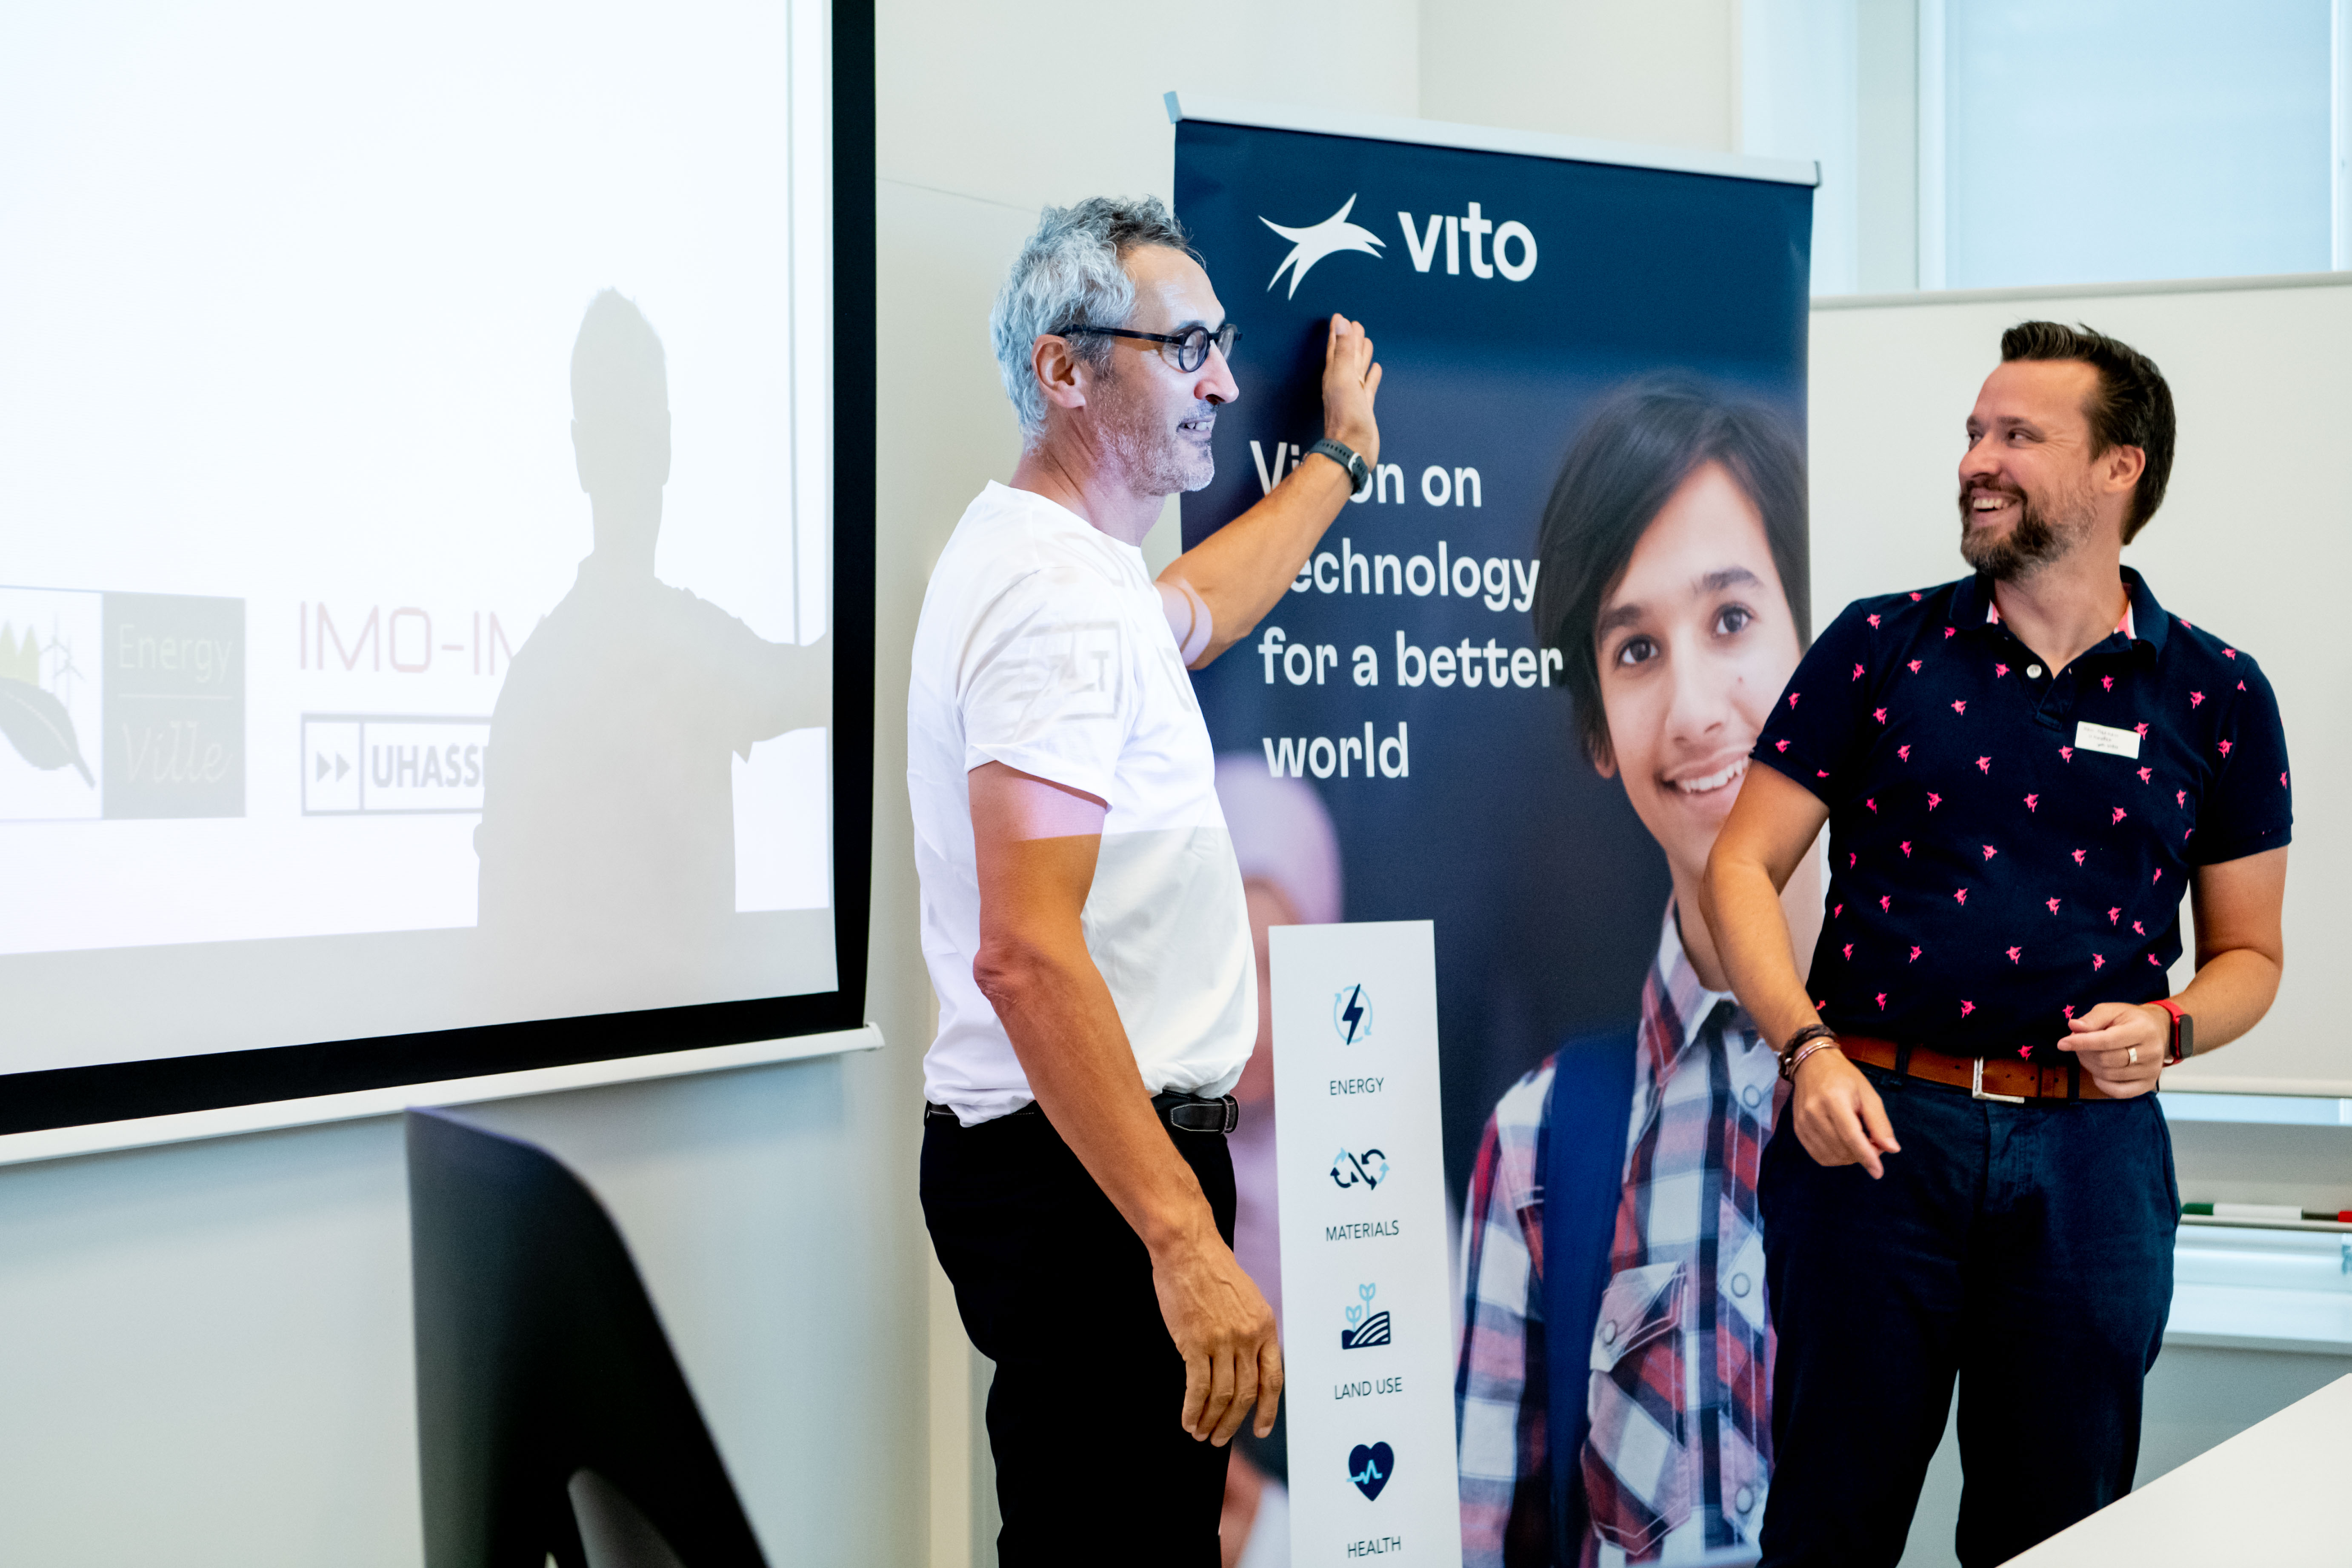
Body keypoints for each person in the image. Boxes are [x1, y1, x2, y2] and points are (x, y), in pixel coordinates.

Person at [1703, 322, 2291, 1567]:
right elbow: (1739, 867)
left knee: (2058, 1533)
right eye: (1975, 432)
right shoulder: (1878, 645)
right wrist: (1805, 1049)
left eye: (2019, 435)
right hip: (1873, 1136)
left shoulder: (2218, 693)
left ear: (2120, 467)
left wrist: (2174, 1026)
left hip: (2093, 1162)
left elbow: (2252, 956)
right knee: (1827, 1527)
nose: (1978, 458)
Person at [910, 196, 1384, 1565]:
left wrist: (1338, 464)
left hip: (1090, 1164)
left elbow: (1202, 606)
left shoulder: (1078, 574)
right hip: (1094, 1180)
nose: (1224, 382)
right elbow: (1024, 951)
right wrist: (1180, 1237)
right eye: (1186, 349)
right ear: (1064, 369)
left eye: (1221, 346)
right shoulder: (1053, 601)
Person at [1455, 377, 1820, 1568]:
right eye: (1637, 650)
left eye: (1732, 619)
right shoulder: (1540, 1143)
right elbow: (1477, 1537)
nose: (1696, 709)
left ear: (1823, 651)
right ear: (1598, 732)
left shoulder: (1962, 1084)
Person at [476, 290, 828, 1008]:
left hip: (560, 1055)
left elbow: (496, 931)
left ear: (580, 453)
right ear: (665, 444)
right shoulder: (692, 649)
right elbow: (825, 683)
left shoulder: (531, 678)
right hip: (692, 1055)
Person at [1211, 752, 1346, 1568]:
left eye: (1278, 966)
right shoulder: (1129, 1169)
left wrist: (1271, 1529)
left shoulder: (1373, 1170)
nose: (1253, 1013)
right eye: (1224, 960)